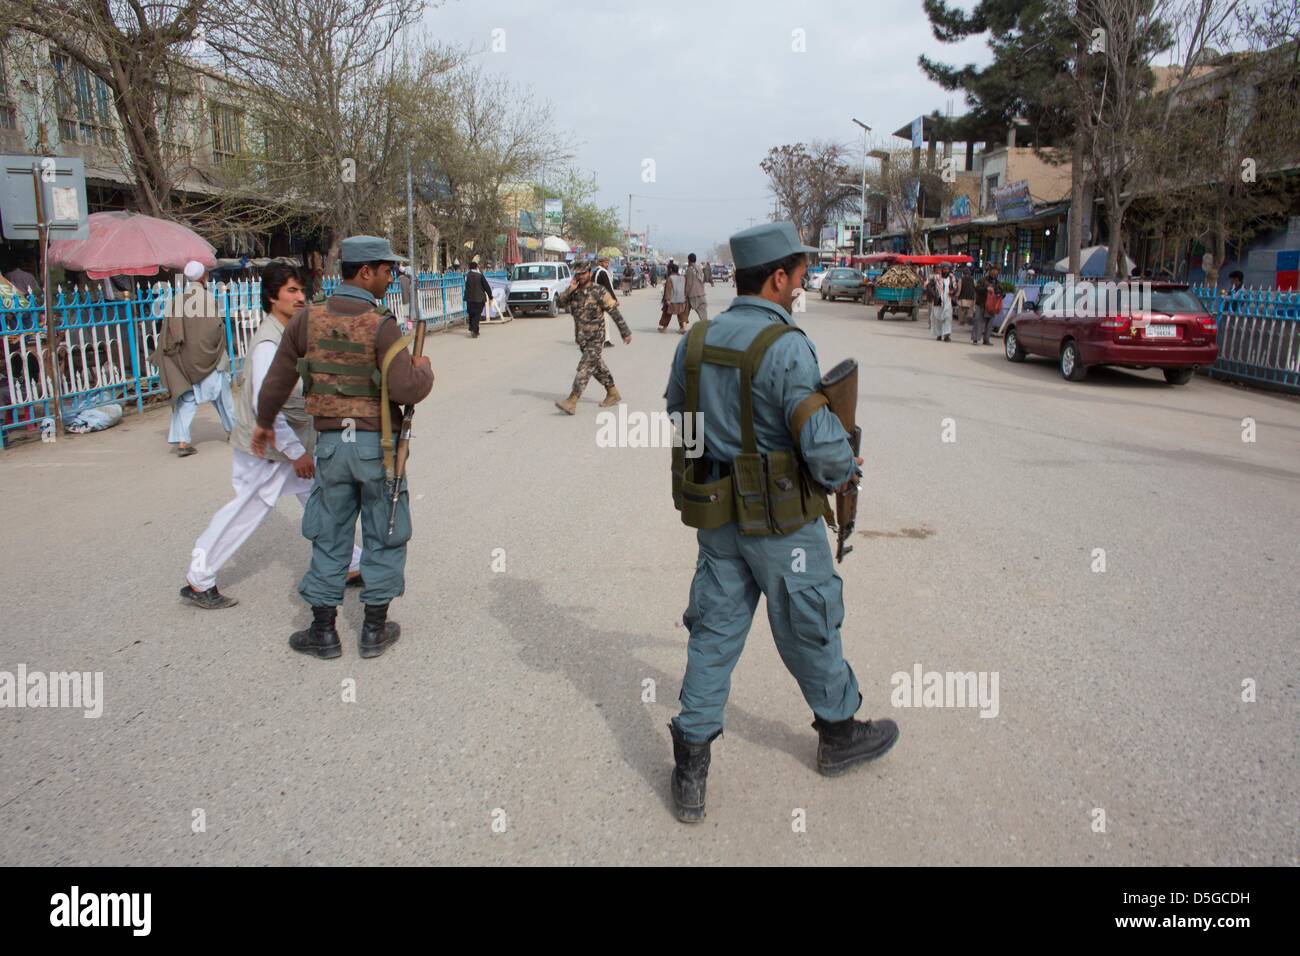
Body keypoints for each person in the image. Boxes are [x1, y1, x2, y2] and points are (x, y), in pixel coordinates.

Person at [663, 221, 898, 823]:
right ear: (776, 278)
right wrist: (844, 466)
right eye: (797, 276)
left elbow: (679, 418)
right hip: (783, 527)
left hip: (718, 519)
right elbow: (823, 450)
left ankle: (691, 763)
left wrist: (722, 449)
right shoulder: (787, 346)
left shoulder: (694, 341)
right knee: (809, 624)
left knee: (714, 631)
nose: (801, 287)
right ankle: (839, 735)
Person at [251, 236, 434, 660]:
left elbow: (276, 381)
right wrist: (423, 371)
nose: (391, 278)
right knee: (383, 532)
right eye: (386, 271)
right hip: (377, 447)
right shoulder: (380, 324)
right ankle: (373, 631)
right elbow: (407, 387)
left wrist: (264, 424)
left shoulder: (306, 321)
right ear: (363, 271)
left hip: (332, 448)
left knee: (329, 536)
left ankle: (323, 633)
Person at [180, 264, 362, 610]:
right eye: (291, 291)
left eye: (301, 290)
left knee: (320, 499)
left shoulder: (288, 332)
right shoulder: (269, 342)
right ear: (271, 296)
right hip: (269, 448)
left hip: (290, 443)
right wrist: (295, 452)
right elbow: (266, 403)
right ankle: (199, 577)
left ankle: (351, 563)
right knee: (248, 508)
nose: (299, 297)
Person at [151, 260, 235, 457]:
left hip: (185, 363)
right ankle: (235, 432)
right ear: (203, 277)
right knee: (224, 398)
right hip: (209, 361)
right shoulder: (206, 298)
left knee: (188, 400)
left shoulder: (176, 301)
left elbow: (169, 335)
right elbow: (214, 330)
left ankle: (181, 442)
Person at [553, 260, 631, 415]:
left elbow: (614, 312)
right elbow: (560, 303)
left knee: (585, 368)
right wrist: (570, 289)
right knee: (597, 367)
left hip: (596, 338)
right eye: (578, 274)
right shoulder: (574, 291)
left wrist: (625, 332)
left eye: (583, 273)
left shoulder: (599, 291)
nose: (580, 276)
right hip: (582, 338)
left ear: (589, 273)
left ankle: (572, 400)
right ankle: (613, 392)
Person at [972, 265, 1002, 346]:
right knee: (978, 321)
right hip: (981, 303)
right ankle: (976, 338)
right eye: (993, 271)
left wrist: (998, 293)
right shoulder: (982, 280)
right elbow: (977, 289)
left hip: (992, 305)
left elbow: (1002, 292)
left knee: (990, 323)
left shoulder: (997, 282)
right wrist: (986, 289)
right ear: (990, 271)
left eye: (996, 271)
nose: (994, 273)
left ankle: (986, 339)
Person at [463, 261, 493, 339]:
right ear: (476, 267)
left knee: (471, 314)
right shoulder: (480, 276)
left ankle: (475, 330)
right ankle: (473, 328)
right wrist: (490, 296)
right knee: (477, 315)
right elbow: (486, 286)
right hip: (479, 299)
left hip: (469, 299)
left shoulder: (466, 276)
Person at [658, 262, 688, 332]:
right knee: (681, 314)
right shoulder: (683, 277)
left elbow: (668, 289)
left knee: (666, 313)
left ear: (671, 270)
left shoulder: (670, 278)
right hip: (682, 299)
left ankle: (664, 328)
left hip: (672, 300)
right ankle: (683, 328)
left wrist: (667, 299)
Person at [930, 264, 954, 342]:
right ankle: (939, 335)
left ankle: (946, 335)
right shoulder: (936, 278)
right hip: (938, 301)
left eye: (947, 269)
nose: (945, 270)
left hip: (948, 301)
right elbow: (929, 286)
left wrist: (953, 291)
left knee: (947, 318)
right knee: (938, 318)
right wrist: (934, 294)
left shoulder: (951, 278)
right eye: (944, 269)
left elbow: (955, 287)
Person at [684, 253, 709, 323]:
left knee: (684, 311)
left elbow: (688, 284)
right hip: (701, 294)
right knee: (703, 314)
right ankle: (705, 327)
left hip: (692, 295)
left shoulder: (689, 270)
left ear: (689, 260)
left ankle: (683, 327)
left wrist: (685, 294)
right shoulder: (699, 268)